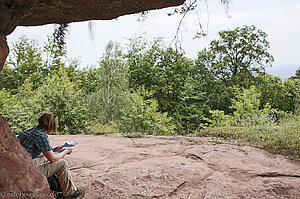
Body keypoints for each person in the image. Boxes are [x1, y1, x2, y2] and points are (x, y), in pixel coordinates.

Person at [17, 113, 83, 199]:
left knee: (45, 158)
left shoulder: (30, 131)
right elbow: (52, 159)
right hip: (25, 173)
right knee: (62, 163)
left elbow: (34, 154)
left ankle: (54, 188)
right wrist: (65, 151)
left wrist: (54, 150)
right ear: (51, 125)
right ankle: (69, 193)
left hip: (18, 168)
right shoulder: (41, 136)